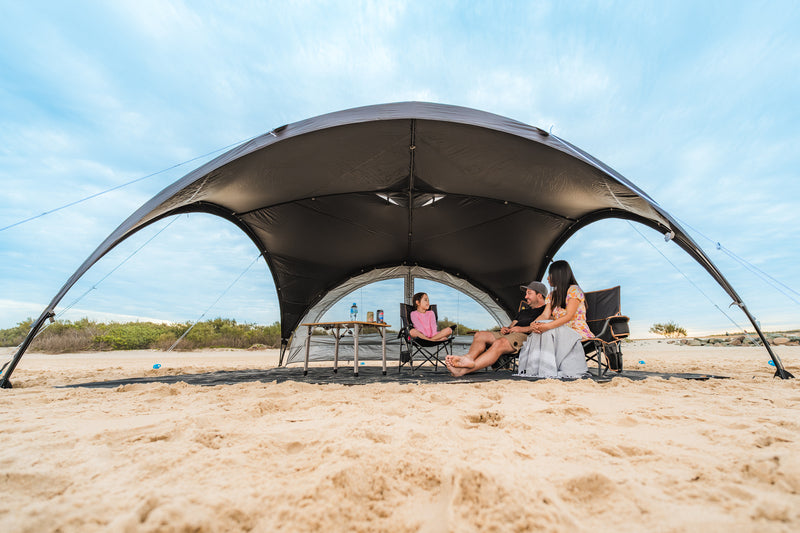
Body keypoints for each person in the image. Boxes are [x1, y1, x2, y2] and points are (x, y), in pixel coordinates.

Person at [444, 281, 548, 376]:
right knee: (480, 335)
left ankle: (463, 370)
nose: (526, 296)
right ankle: (468, 358)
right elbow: (513, 325)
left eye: (529, 293)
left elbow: (540, 326)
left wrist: (521, 329)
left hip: (525, 337)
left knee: (499, 342)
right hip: (511, 334)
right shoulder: (523, 311)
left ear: (539, 295)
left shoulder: (546, 310)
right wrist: (506, 329)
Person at [515, 260, 593, 379]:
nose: (547, 278)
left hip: (575, 331)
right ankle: (537, 369)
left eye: (550, 274)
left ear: (558, 275)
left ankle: (547, 370)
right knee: (540, 328)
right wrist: (534, 324)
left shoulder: (574, 290)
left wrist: (546, 326)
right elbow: (545, 315)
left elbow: (569, 316)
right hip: (558, 330)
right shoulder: (552, 295)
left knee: (546, 328)